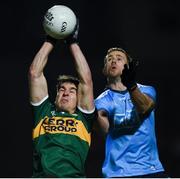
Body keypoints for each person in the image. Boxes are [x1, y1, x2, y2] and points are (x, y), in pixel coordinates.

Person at [28, 22, 96, 177]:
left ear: (79, 99)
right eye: (61, 90)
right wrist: (50, 39)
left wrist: (73, 42)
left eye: (72, 91)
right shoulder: (43, 112)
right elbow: (34, 73)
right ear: (56, 95)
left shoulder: (83, 117)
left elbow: (86, 80)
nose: (66, 93)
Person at [95, 47, 168, 178]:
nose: (113, 61)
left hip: (150, 169)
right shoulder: (100, 102)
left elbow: (145, 107)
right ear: (104, 70)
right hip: (117, 172)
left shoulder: (147, 90)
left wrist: (131, 86)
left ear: (128, 66)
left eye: (119, 58)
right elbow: (104, 132)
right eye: (109, 59)